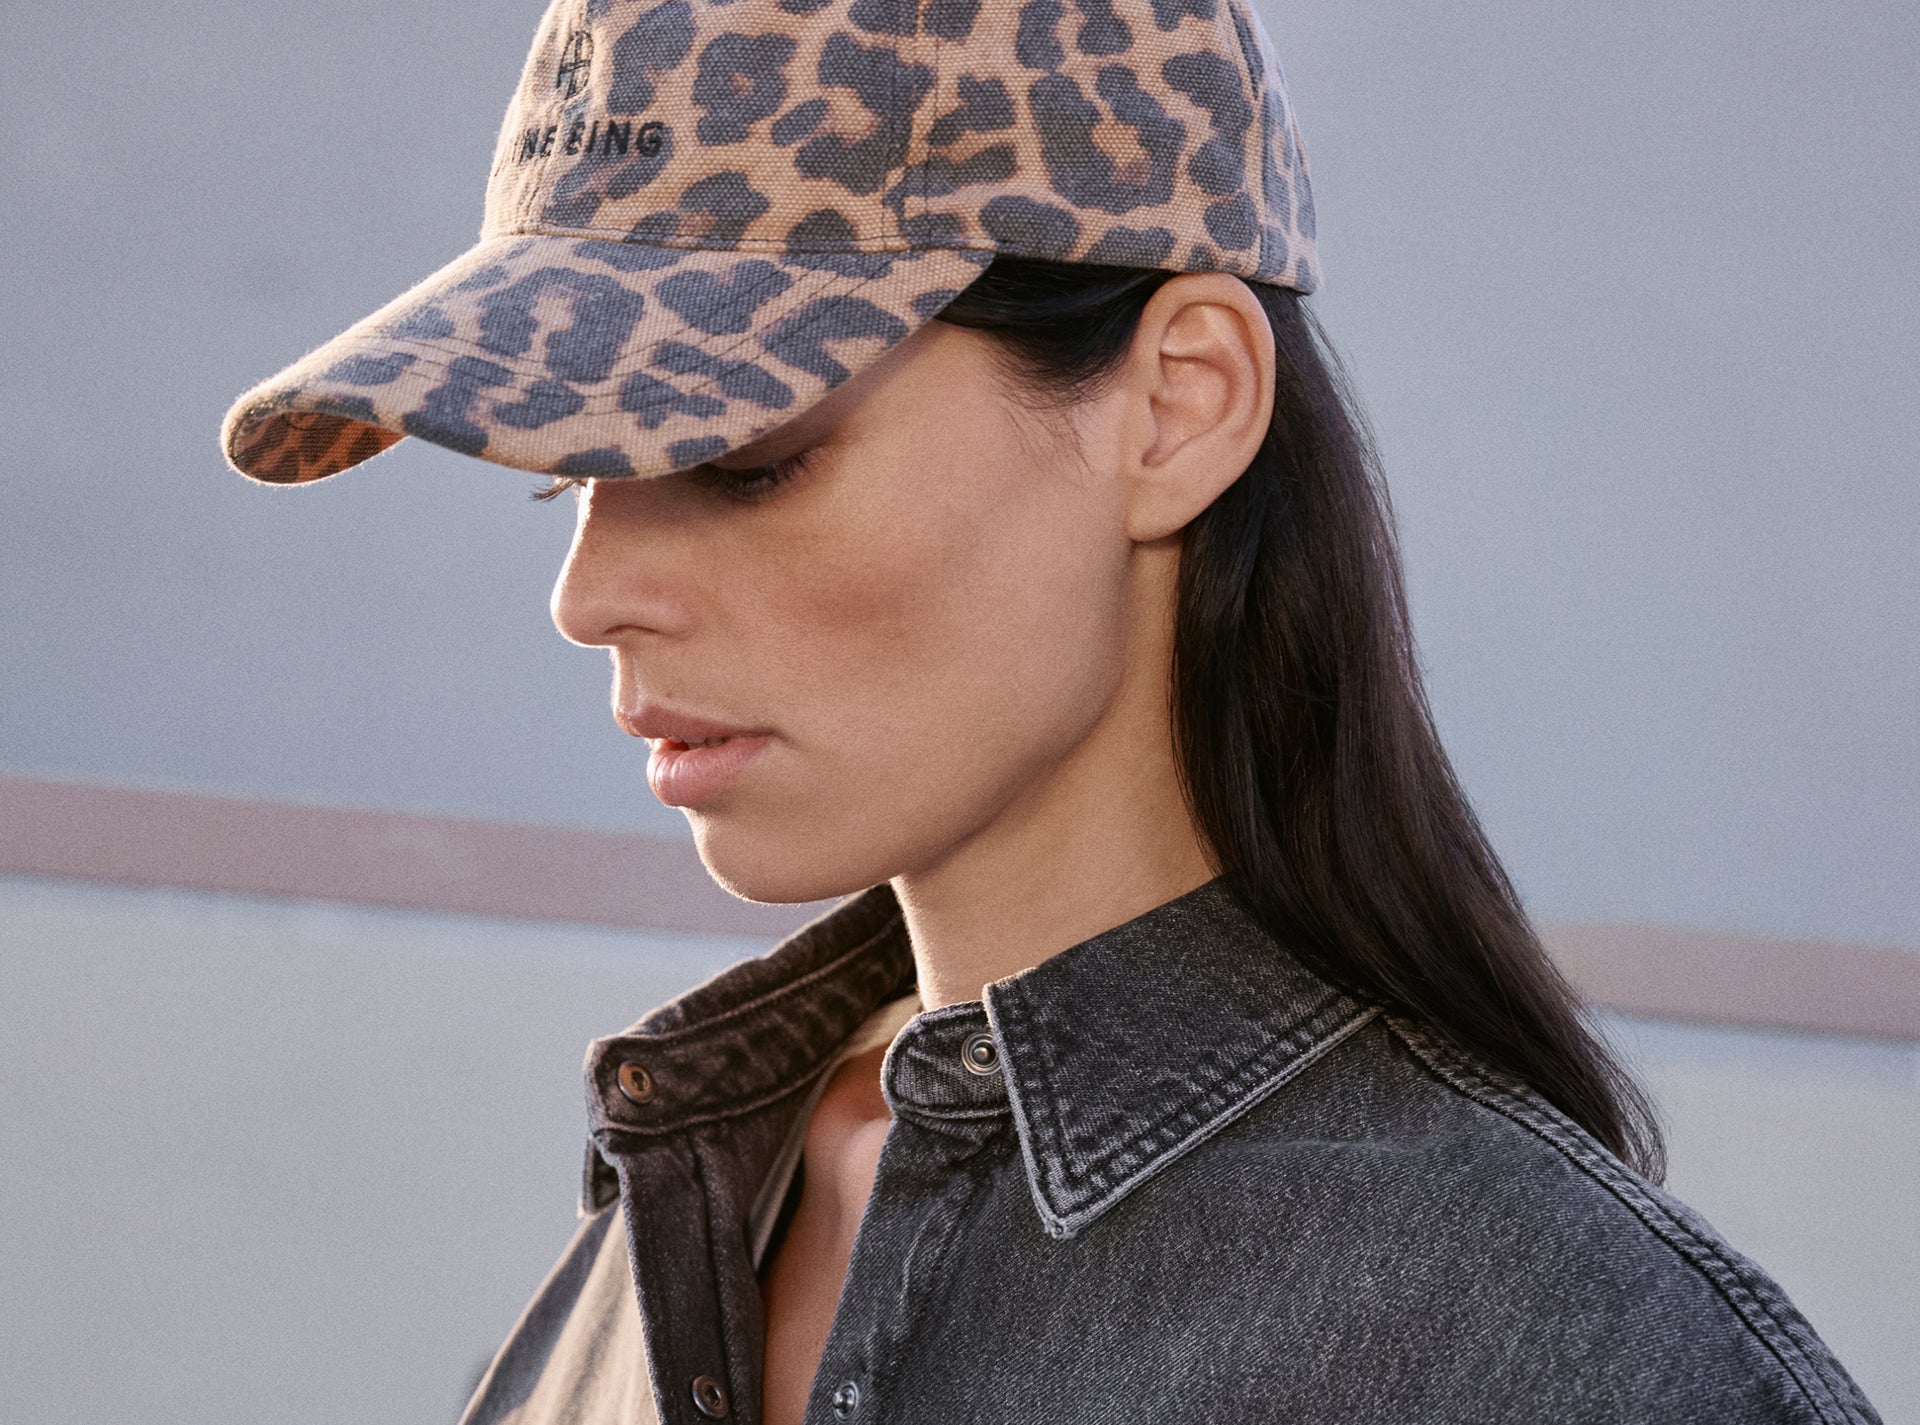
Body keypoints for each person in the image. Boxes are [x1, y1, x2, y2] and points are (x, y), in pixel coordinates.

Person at [222, 1, 1883, 1421]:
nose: (591, 595)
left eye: (745, 459)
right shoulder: (670, 1227)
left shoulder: (1556, 1355)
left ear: (1179, 407)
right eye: (572, 481)